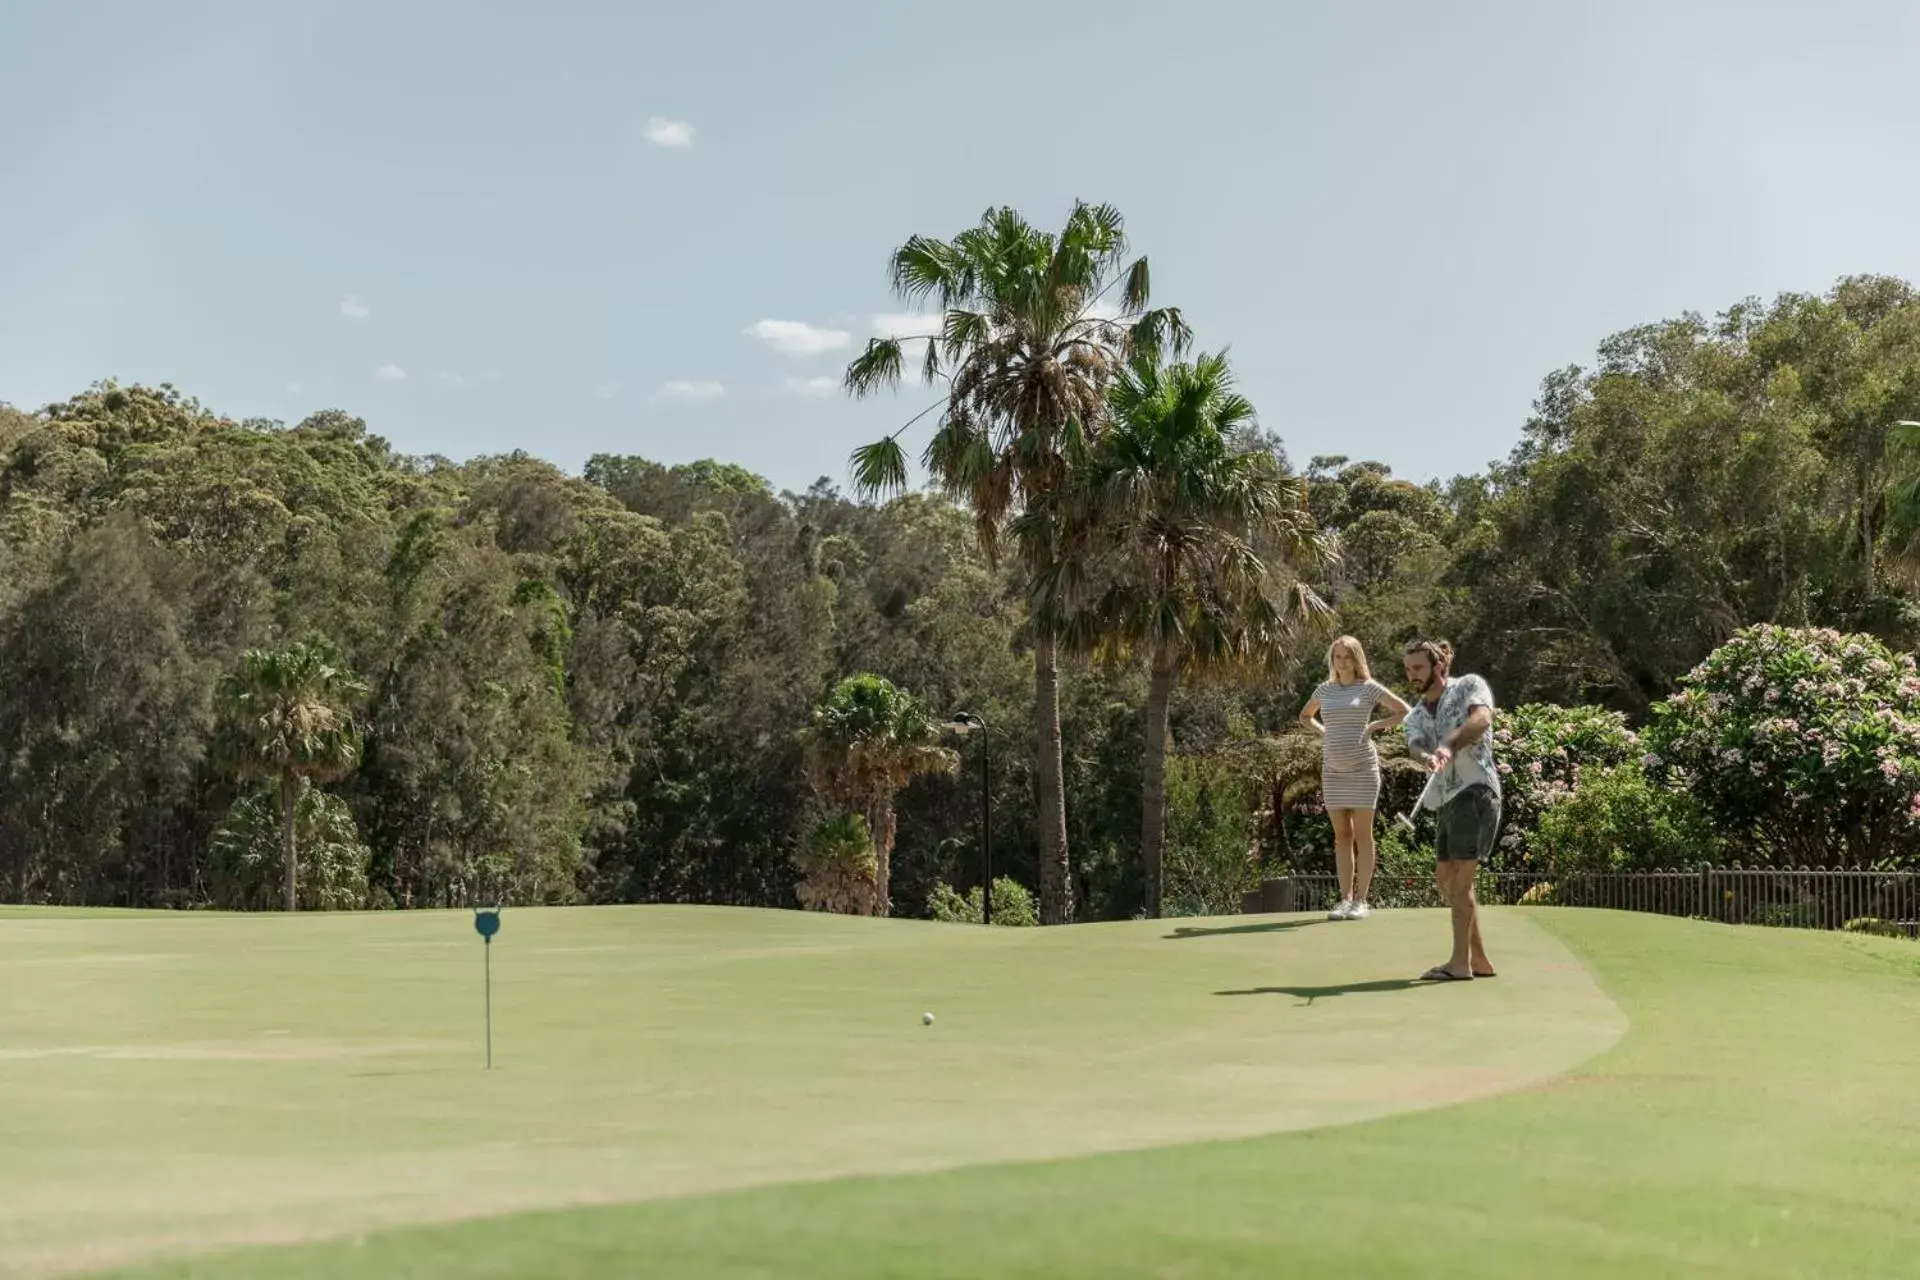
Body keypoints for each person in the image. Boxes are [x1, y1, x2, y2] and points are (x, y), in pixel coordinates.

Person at [1400, 638, 1500, 981]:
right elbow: (1414, 743)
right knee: (1446, 877)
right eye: (1408, 669)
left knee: (1460, 880)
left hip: (1475, 790)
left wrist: (1449, 744)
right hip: (1447, 799)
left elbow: (1482, 719)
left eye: (1419, 668)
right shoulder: (1415, 714)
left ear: (1438, 666)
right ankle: (1480, 960)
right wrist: (1427, 755)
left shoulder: (1469, 686)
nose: (1412, 675)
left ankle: (1460, 965)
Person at [1300, 636, 1409, 921]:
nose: (1342, 662)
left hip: (1363, 769)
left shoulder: (1368, 688)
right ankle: (1344, 899)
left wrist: (1375, 725)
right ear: (1332, 660)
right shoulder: (1324, 690)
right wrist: (1325, 733)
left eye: (1348, 656)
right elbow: (1305, 716)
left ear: (1357, 659)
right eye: (1337, 657)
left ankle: (1361, 901)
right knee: (1341, 837)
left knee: (1363, 835)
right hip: (1333, 770)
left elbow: (1403, 711)